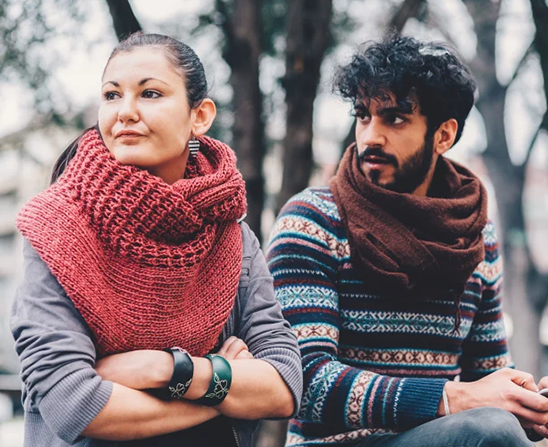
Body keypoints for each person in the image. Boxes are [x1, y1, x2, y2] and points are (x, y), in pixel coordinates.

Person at [11, 32, 302, 447]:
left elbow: (285, 385)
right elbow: (73, 402)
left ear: (199, 116)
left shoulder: (230, 234)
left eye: (149, 93)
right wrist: (221, 386)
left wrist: (163, 370)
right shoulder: (56, 228)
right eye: (111, 96)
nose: (125, 112)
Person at [266, 35, 548, 447]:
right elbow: (303, 381)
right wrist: (452, 399)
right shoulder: (313, 220)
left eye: (395, 118)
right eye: (364, 116)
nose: (371, 137)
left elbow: (486, 379)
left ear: (443, 135)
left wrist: (526, 405)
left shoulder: (474, 234)